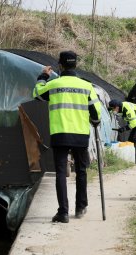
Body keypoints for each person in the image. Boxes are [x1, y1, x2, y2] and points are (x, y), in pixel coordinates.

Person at [33, 50, 102, 223]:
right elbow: (96, 112)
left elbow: (37, 94)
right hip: (80, 134)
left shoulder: (54, 85)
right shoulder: (86, 86)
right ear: (76, 64)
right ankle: (80, 207)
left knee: (61, 173)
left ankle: (63, 212)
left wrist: (43, 76)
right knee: (81, 171)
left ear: (60, 65)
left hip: (60, 133)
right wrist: (95, 121)